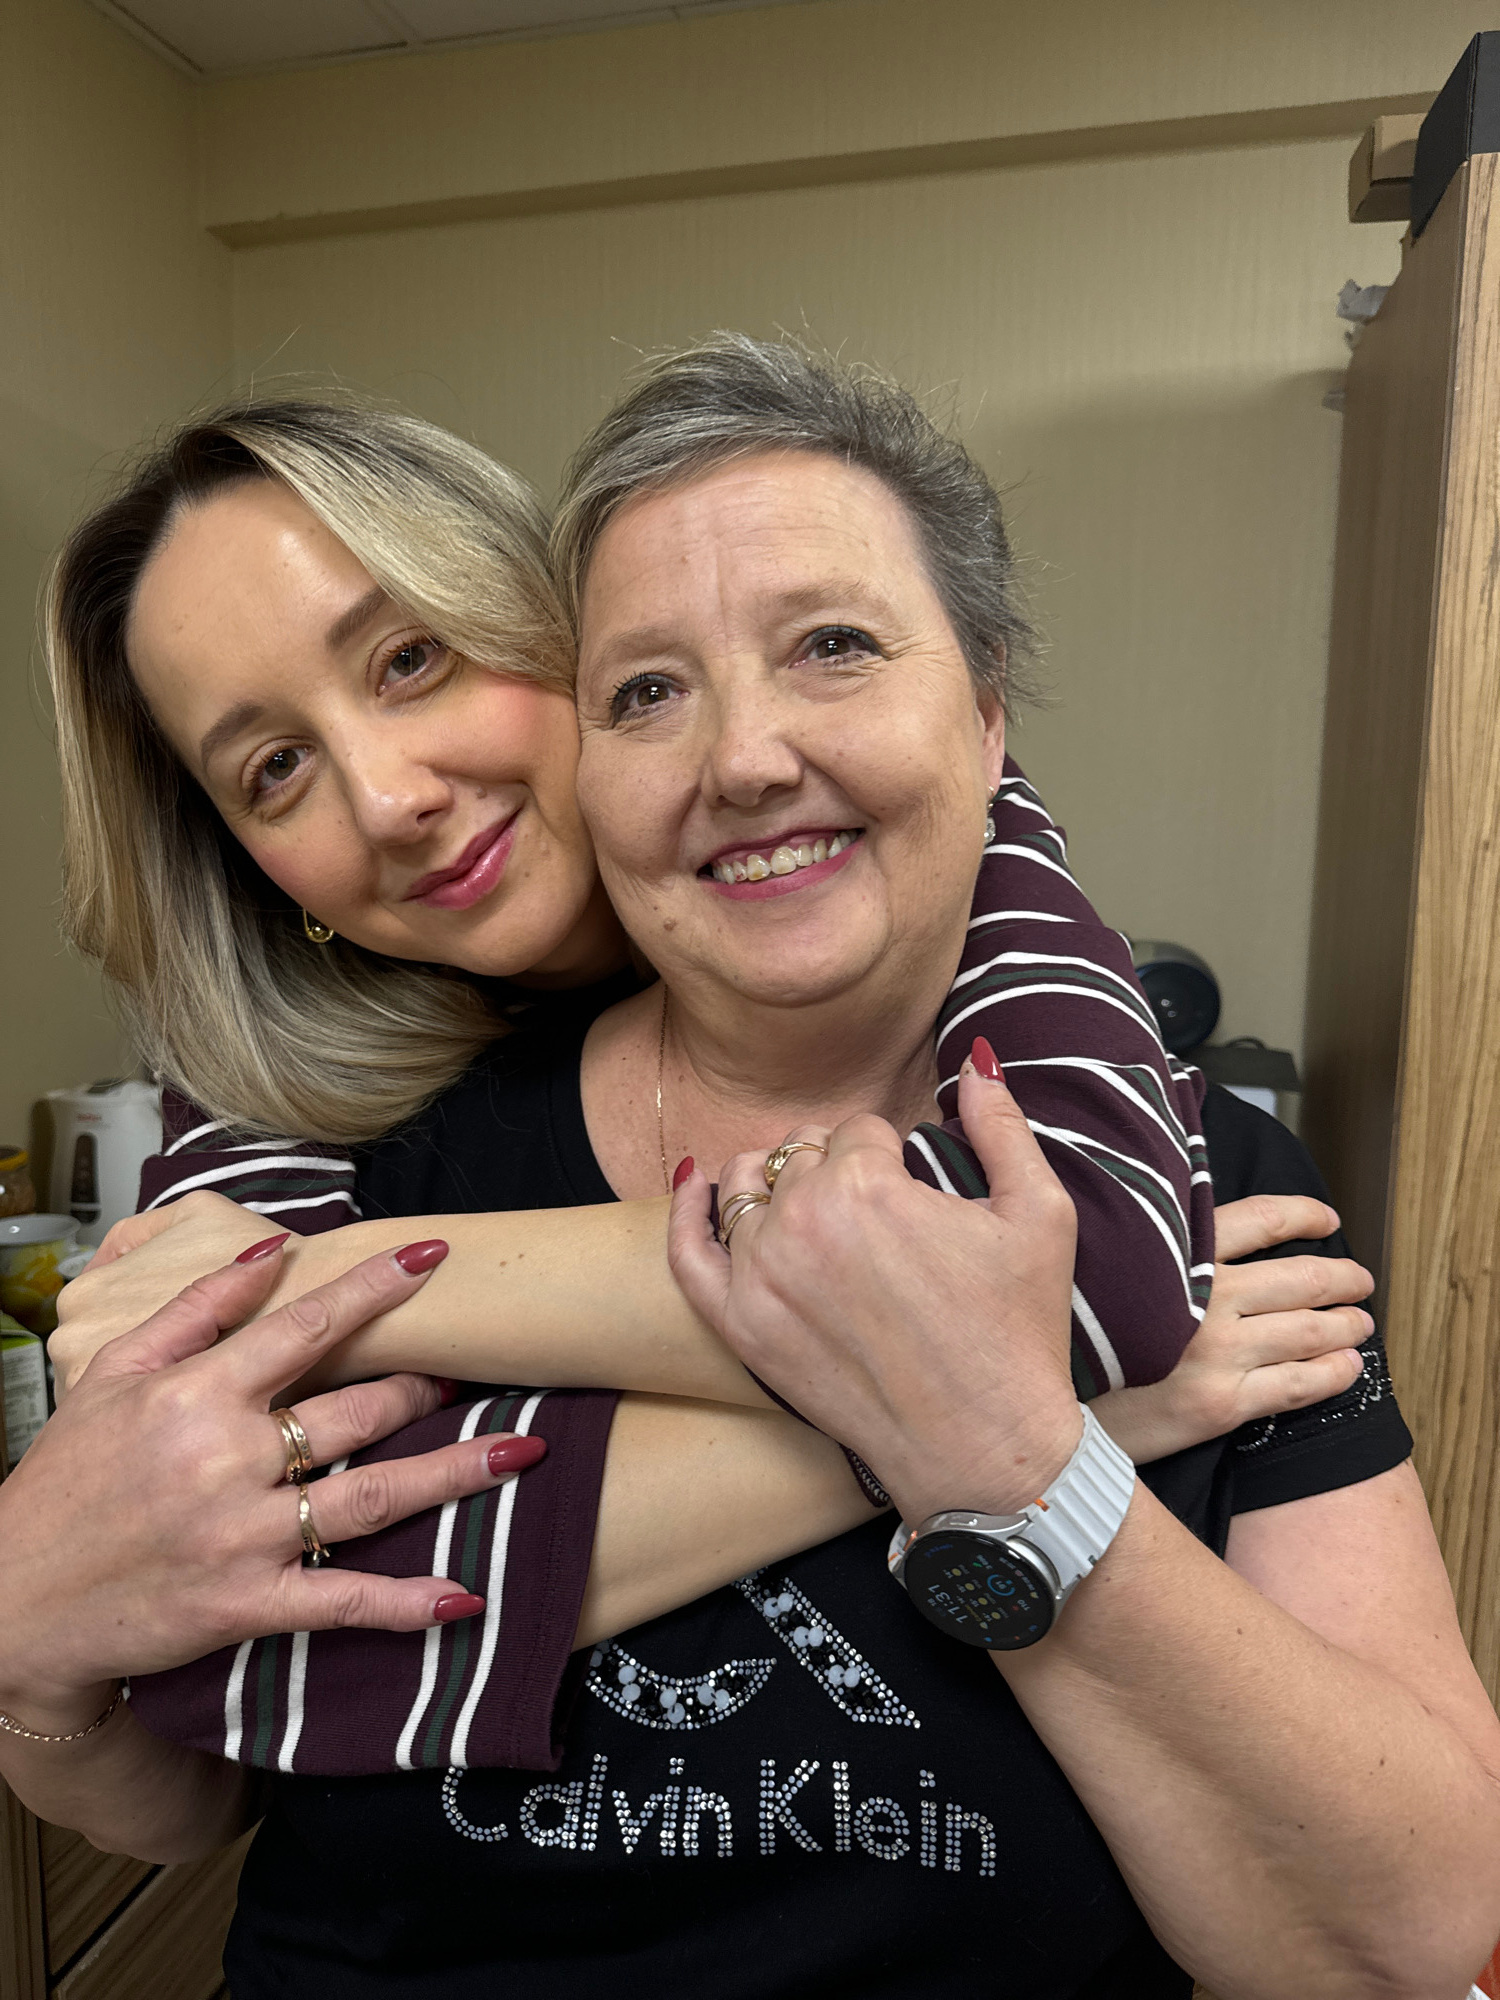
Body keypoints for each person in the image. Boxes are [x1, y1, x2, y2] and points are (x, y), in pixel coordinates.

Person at [0, 351, 1415, 1992]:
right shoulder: (290, 1129)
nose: (388, 798)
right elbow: (248, 1688)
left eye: (410, 659)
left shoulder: (1069, 1024)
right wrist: (29, 1649)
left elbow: (1077, 1268)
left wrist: (319, 1301)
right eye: (272, 770)